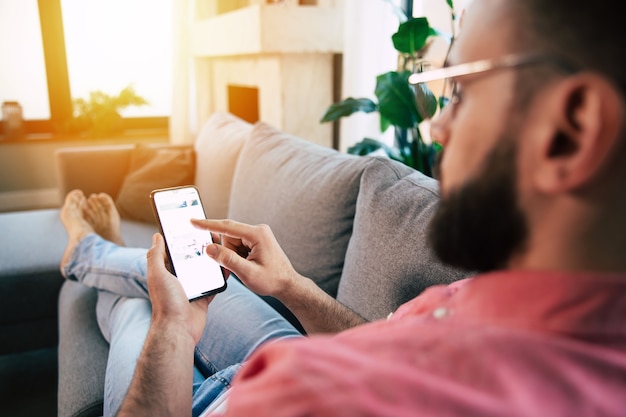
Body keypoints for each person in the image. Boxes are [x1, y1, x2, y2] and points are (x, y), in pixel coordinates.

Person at [60, 0, 626, 415]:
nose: (438, 125)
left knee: (140, 308)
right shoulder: (507, 301)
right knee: (184, 280)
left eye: (463, 90)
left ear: (570, 131)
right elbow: (382, 343)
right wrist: (291, 286)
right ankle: (98, 254)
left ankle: (85, 252)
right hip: (284, 344)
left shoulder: (309, 394)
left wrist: (175, 333)